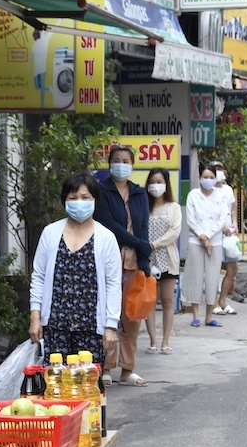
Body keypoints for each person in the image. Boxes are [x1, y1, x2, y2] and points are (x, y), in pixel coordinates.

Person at [29, 172, 121, 369]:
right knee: (55, 386)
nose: (79, 202)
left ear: (95, 200)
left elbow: (114, 284)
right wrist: (35, 317)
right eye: (73, 198)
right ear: (64, 201)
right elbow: (38, 276)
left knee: (88, 388)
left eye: (85, 197)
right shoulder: (51, 233)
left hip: (91, 327)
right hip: (55, 326)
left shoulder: (106, 237)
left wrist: (111, 326)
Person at [94, 145, 151, 387]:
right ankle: (106, 367)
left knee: (132, 317)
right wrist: (139, 243)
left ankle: (127, 369)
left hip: (133, 261)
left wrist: (144, 258)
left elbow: (144, 226)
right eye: (116, 160)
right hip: (109, 259)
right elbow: (107, 224)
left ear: (132, 164)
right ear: (109, 164)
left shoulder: (140, 194)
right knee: (108, 314)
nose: (121, 164)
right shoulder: (101, 190)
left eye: (125, 160)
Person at [182, 163, 232, 327]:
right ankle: (195, 314)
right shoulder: (193, 195)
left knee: (212, 277)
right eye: (205, 177)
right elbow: (191, 220)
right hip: (196, 241)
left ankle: (209, 315)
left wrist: (209, 236)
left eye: (211, 177)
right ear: (200, 178)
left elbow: (222, 219)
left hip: (215, 242)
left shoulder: (220, 196)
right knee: (195, 276)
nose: (208, 180)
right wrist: (203, 239)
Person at [143, 168, 181, 355]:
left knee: (167, 301)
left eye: (159, 181)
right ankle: (152, 341)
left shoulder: (173, 207)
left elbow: (173, 233)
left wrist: (153, 244)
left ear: (166, 184)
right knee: (149, 301)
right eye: (152, 182)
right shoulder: (143, 206)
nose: (156, 186)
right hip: (147, 259)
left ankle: (165, 341)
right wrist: (145, 249)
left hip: (168, 258)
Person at [211, 161, 240, 316]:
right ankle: (214, 302)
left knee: (232, 268)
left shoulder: (228, 190)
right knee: (215, 268)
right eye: (215, 169)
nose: (218, 172)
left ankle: (223, 300)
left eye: (220, 169)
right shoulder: (208, 191)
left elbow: (232, 210)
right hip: (216, 234)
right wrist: (223, 227)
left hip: (230, 235)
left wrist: (234, 224)